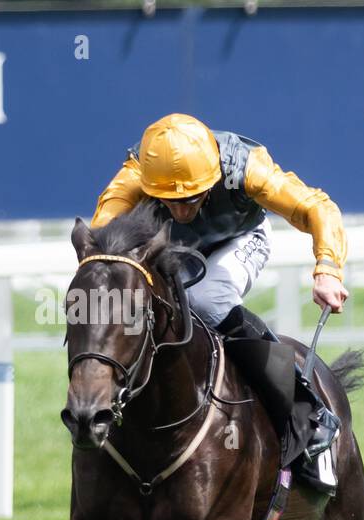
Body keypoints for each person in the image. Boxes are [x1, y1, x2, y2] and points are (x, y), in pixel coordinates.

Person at [91, 113, 347, 479]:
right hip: (172, 250)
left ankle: (305, 406)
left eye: (192, 198)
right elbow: (101, 239)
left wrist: (328, 269)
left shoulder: (247, 168)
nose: (181, 211)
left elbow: (317, 207)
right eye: (169, 201)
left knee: (207, 300)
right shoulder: (135, 174)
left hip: (239, 239)